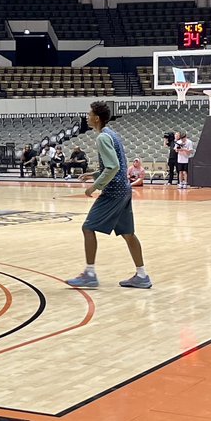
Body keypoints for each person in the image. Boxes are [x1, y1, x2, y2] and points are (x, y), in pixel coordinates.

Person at [65, 101, 151, 289]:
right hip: (125, 189)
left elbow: (113, 167)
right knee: (128, 234)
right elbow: (115, 165)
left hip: (114, 191)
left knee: (88, 227)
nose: (87, 117)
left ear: (96, 118)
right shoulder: (113, 135)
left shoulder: (102, 137)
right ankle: (142, 276)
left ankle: (89, 273)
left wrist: (94, 187)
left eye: (89, 114)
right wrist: (94, 174)